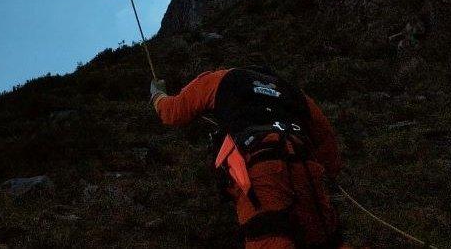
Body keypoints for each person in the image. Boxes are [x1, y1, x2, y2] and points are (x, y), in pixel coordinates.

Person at [150, 62, 351, 249]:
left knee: (270, 240)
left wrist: (157, 95)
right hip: (305, 166)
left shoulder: (222, 79)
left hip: (260, 168)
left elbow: (174, 111)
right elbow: (326, 137)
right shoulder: (293, 91)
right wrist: (327, 174)